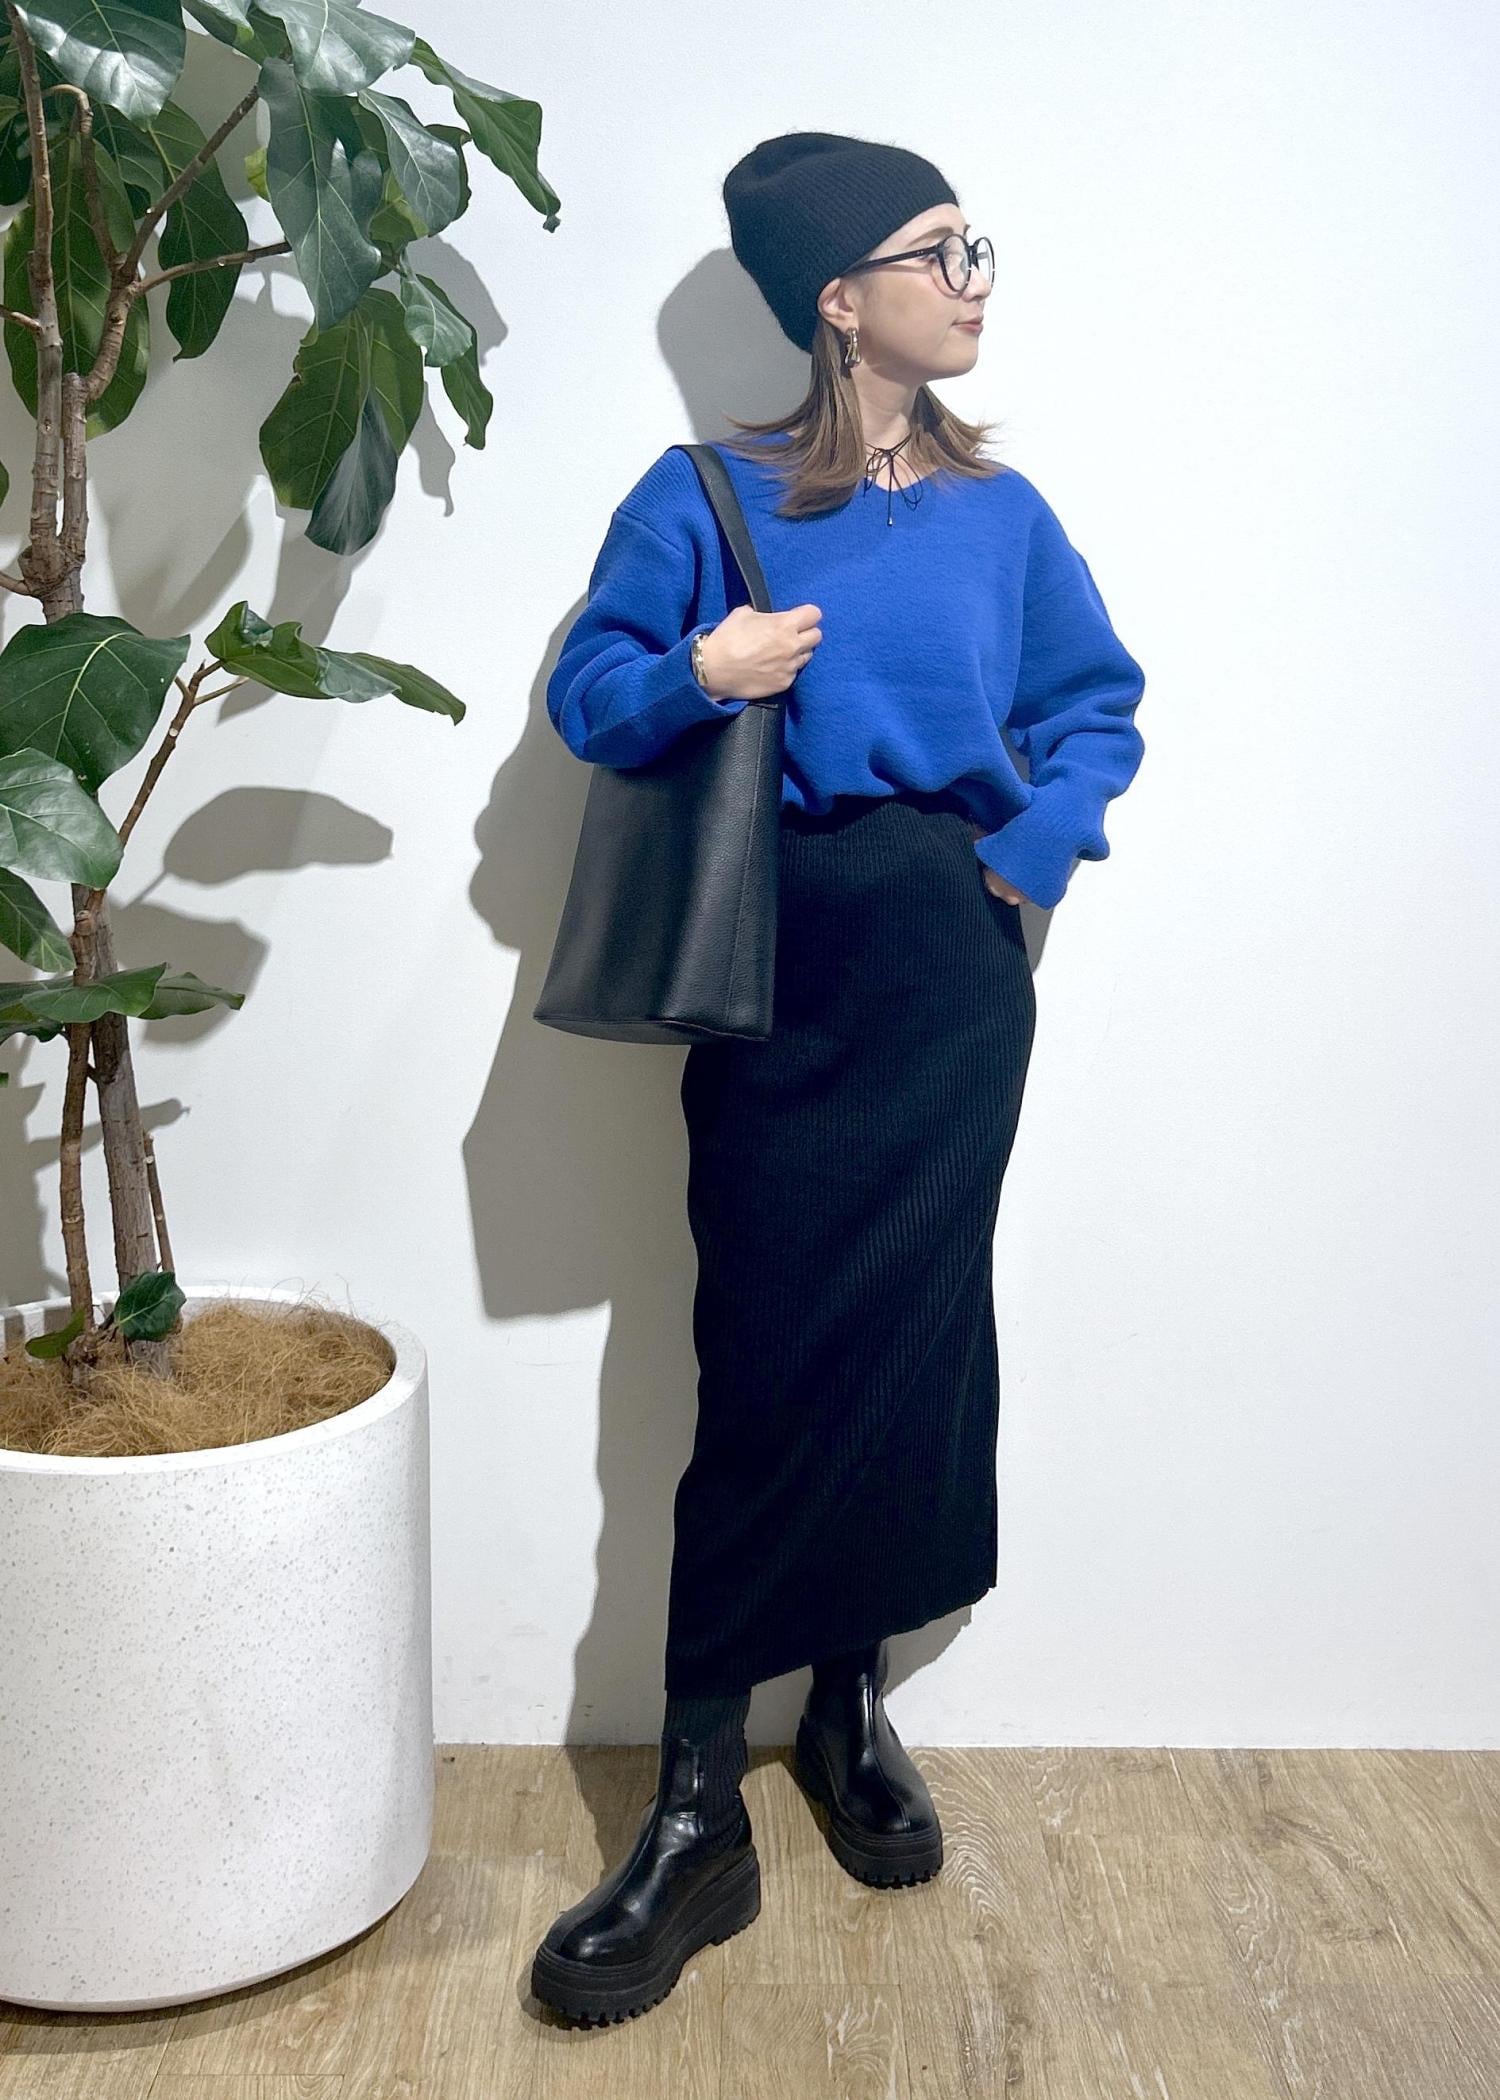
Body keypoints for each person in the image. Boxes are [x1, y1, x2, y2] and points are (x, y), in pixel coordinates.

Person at [532, 130, 1147, 2028]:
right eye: (939, 250)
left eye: (977, 246)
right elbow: (589, 695)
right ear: (838, 297)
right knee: (769, 1344)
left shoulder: (1002, 514)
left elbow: (1095, 704)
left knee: (913, 1330)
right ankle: (695, 1794)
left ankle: (848, 1702)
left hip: (952, 967)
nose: (976, 278)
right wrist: (704, 671)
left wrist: (1025, 855)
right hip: (778, 956)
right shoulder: (705, 494)